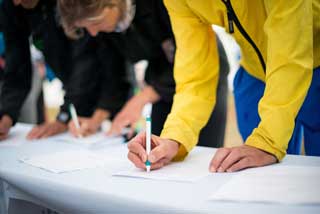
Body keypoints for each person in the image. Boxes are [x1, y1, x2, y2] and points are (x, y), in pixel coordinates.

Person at [124, 0, 320, 172]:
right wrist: (173, 138)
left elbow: (290, 48)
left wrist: (267, 141)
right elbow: (195, 74)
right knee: (265, 179)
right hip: (254, 74)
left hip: (314, 59)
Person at [57, 0, 229, 148]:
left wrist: (141, 99)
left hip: (204, 73)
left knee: (199, 155)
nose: (93, 32)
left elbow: (193, 58)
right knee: (157, 151)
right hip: (161, 82)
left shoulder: (160, 4)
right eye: (85, 27)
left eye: (95, 22)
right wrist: (97, 118)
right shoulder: (104, 28)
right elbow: (115, 73)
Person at [0, 0, 129, 141]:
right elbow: (16, 63)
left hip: (109, 85)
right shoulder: (11, 8)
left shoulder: (70, 5)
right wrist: (7, 113)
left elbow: (87, 58)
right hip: (75, 90)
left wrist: (64, 116)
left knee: (117, 136)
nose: (16, 2)